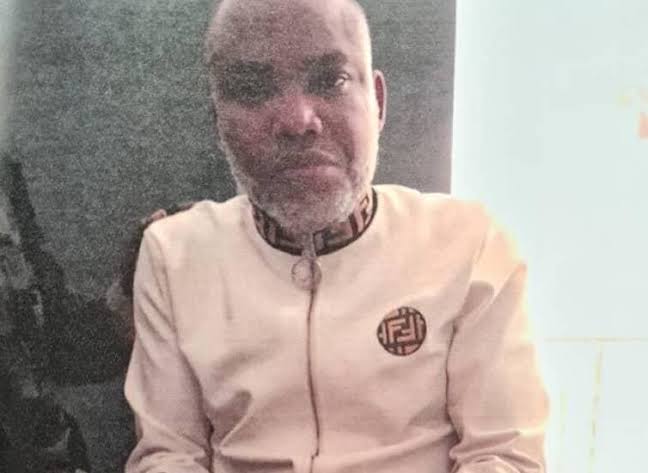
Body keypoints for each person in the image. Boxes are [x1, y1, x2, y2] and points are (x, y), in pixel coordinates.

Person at [124, 0, 549, 472]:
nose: (297, 120)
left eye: (331, 80)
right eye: (253, 89)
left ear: (378, 102)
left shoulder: (468, 244)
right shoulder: (174, 255)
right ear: (218, 121)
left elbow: (503, 455)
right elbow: (168, 455)